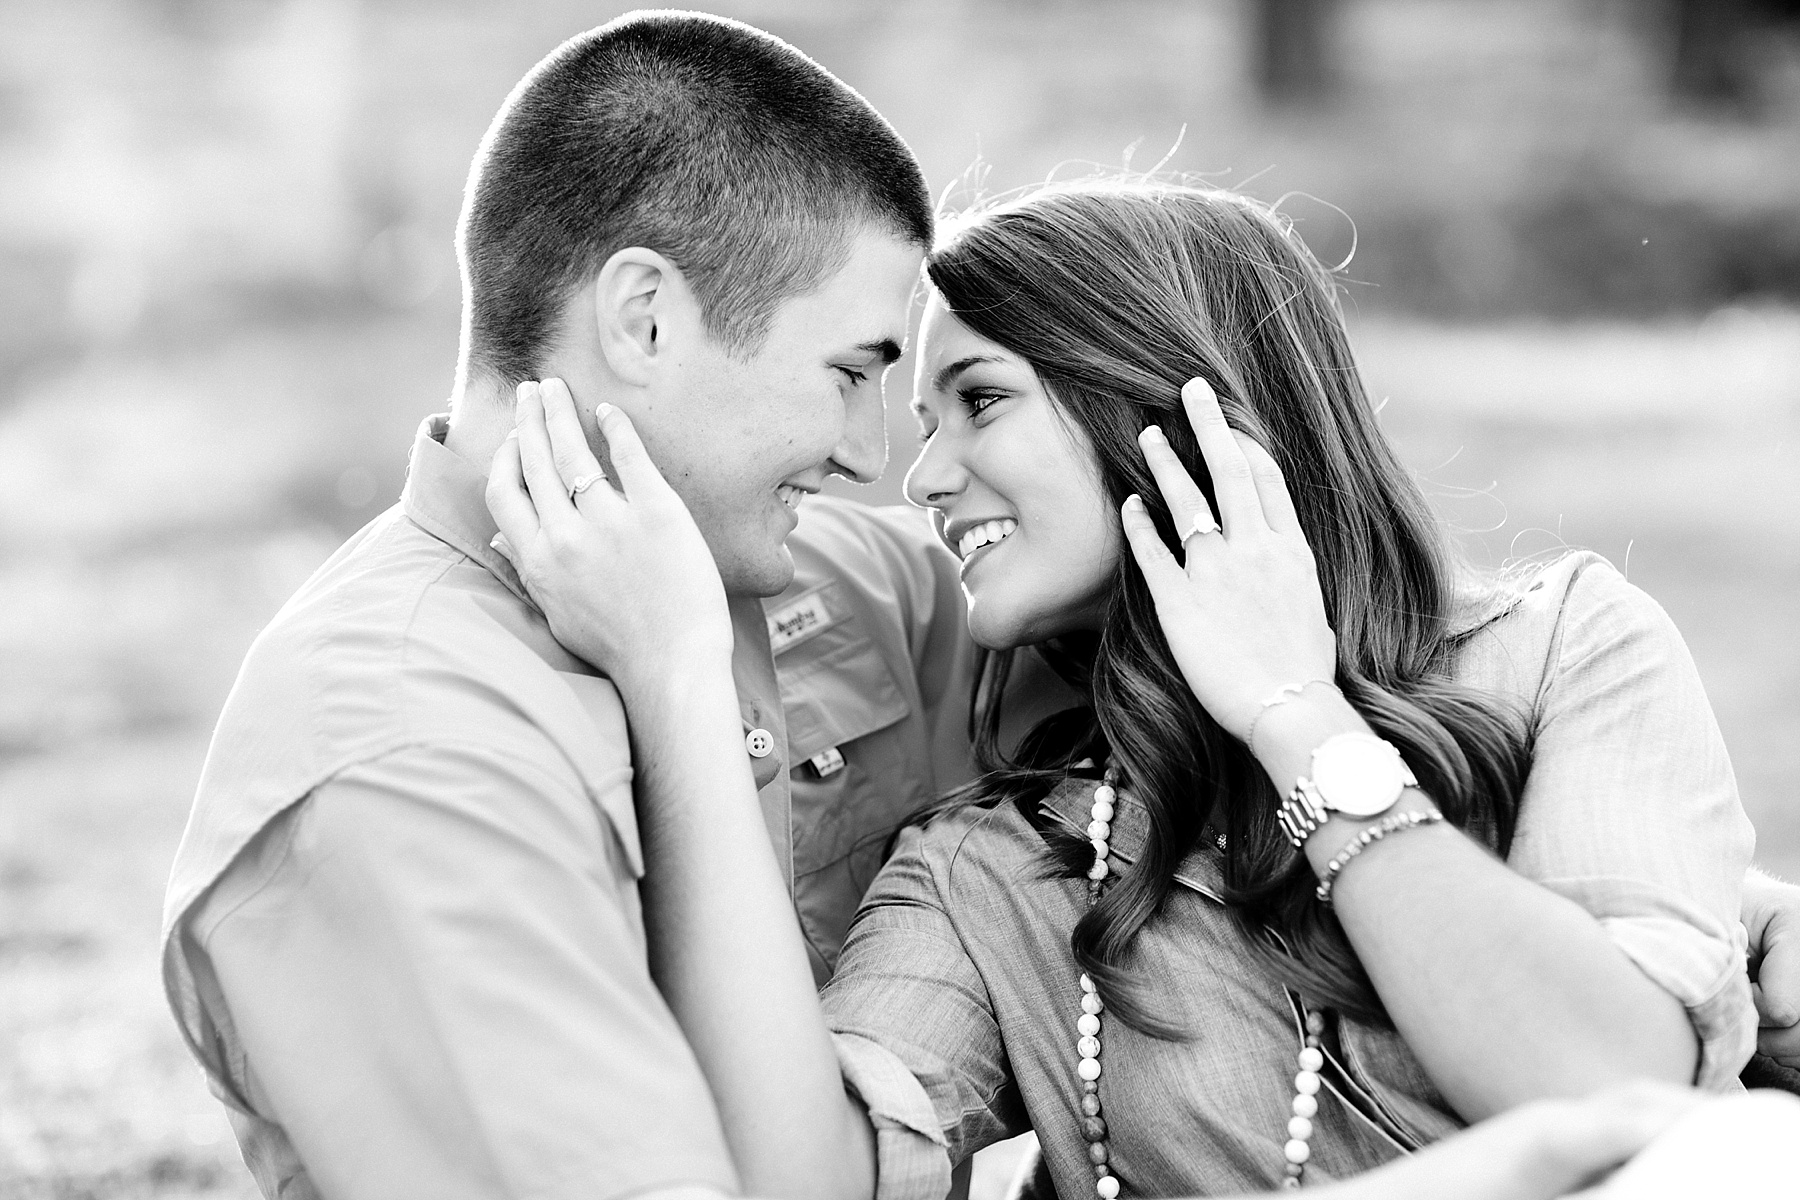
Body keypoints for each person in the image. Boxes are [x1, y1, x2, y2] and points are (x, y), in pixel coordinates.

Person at [488, 177, 1795, 1198]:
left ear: (1173, 406)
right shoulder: (1000, 865)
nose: (922, 477)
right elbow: (798, 1180)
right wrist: (678, 682)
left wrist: (1294, 714)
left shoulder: (1563, 650)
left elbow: (1614, 1095)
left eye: (979, 401)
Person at [158, 14, 935, 1199]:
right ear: (645, 319)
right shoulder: (401, 756)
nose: (871, 452)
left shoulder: (794, 570)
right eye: (850, 373)